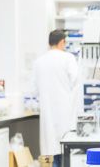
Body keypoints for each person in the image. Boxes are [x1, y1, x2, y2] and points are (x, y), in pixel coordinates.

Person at [31, 29, 81, 167]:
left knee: (51, 152)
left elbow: (34, 90)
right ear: (62, 42)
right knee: (66, 151)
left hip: (47, 113)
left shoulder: (38, 62)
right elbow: (77, 81)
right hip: (65, 112)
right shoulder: (68, 58)